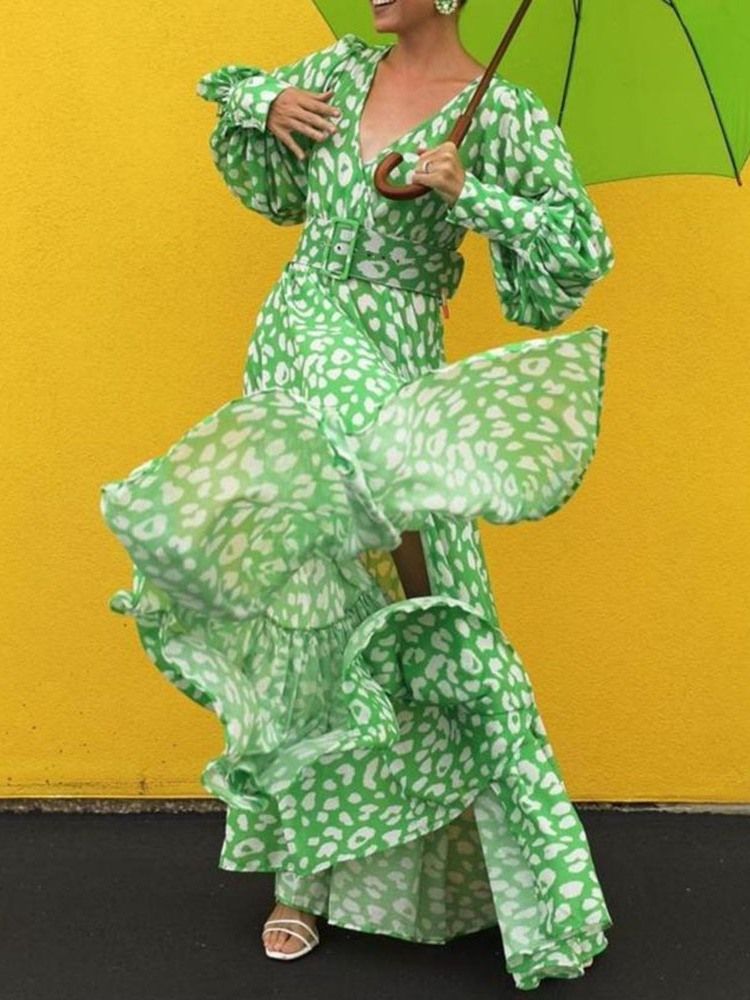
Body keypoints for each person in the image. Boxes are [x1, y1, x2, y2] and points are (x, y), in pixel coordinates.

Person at [100, 0, 617, 989]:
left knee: (410, 596)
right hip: (297, 342)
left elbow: (574, 256)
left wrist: (474, 198)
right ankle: (298, 878)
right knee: (304, 597)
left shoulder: (497, 115)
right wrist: (268, 104)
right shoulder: (339, 70)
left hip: (391, 356)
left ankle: (462, 852)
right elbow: (267, 175)